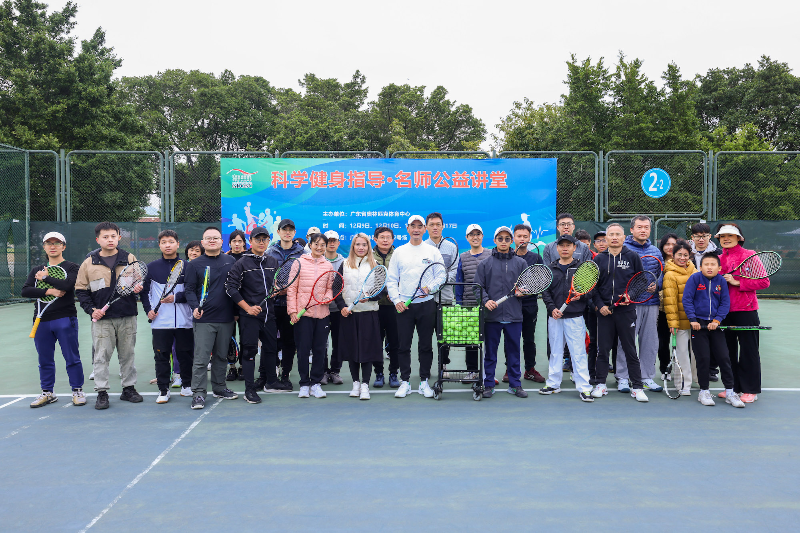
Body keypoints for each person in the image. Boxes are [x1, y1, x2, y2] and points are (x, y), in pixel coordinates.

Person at [75, 222, 144, 410]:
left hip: (127, 315)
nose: (110, 240)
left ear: (119, 237)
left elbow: (137, 282)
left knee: (127, 354)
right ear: (98, 240)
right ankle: (102, 392)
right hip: (102, 320)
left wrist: (138, 288)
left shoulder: (129, 258)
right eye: (105, 237)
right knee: (101, 356)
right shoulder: (89, 262)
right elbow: (81, 290)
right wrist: (91, 310)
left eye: (113, 236)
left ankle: (128, 389)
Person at [22, 232, 84, 407]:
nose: (53, 246)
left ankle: (77, 391)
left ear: (63, 246)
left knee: (72, 357)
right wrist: (48, 291)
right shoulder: (36, 269)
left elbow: (68, 285)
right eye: (49, 243)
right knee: (44, 359)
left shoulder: (72, 267)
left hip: (65, 318)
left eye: (57, 243)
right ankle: (47, 392)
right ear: (44, 247)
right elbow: (26, 291)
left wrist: (45, 278)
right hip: (41, 320)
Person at [225, 226, 286, 404]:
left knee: (271, 349)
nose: (261, 242)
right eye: (258, 239)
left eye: (264, 239)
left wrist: (278, 290)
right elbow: (230, 288)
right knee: (250, 352)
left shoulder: (273, 261)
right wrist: (247, 308)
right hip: (249, 316)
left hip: (269, 315)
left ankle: (271, 381)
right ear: (250, 242)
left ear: (268, 241)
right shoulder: (241, 263)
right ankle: (249, 390)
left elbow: (276, 285)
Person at [386, 215, 444, 398]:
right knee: (403, 346)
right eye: (413, 226)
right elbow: (391, 279)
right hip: (404, 307)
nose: (416, 229)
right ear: (408, 228)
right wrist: (397, 300)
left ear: (424, 229)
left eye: (420, 226)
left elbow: (441, 275)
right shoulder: (399, 252)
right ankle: (405, 382)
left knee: (425, 346)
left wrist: (430, 287)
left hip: (427, 305)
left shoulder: (432, 251)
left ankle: (424, 382)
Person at [589, 223, 649, 402]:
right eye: (611, 234)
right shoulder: (599, 259)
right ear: (606, 238)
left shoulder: (633, 256)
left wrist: (631, 296)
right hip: (605, 313)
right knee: (602, 350)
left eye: (618, 234)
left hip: (626, 311)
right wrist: (600, 305)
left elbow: (641, 281)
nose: (614, 237)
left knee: (630, 349)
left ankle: (637, 387)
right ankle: (601, 384)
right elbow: (593, 287)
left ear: (624, 238)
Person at [184, 226, 238, 409]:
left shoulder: (230, 261)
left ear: (221, 242)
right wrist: (195, 307)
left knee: (221, 357)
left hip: (226, 318)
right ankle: (198, 394)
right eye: (208, 238)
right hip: (204, 319)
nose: (212, 240)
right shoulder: (194, 264)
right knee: (201, 359)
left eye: (215, 238)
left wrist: (236, 312)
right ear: (203, 242)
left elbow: (235, 288)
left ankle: (219, 387)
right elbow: (189, 289)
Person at [715, 223, 769, 403]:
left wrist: (737, 282)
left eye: (730, 235)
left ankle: (750, 390)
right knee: (727, 351)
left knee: (749, 350)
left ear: (739, 238)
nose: (726, 239)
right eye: (723, 236)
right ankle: (732, 387)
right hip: (724, 313)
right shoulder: (718, 259)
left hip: (746, 310)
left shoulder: (749, 255)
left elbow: (764, 282)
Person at [683, 253, 745, 408]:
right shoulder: (694, 279)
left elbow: (725, 302)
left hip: (716, 325)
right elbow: (687, 299)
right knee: (703, 358)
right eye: (706, 264)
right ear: (700, 267)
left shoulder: (721, 281)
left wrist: (717, 320)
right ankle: (704, 391)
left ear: (719, 268)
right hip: (698, 325)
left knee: (724, 358)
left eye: (713, 264)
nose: (709, 267)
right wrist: (693, 319)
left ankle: (730, 392)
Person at [475, 226, 528, 398]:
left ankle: (515, 384)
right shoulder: (485, 264)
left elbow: (526, 286)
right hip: (492, 317)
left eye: (507, 239)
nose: (503, 241)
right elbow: (478, 288)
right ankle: (488, 384)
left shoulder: (521, 263)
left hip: (514, 316)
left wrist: (523, 292)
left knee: (514, 352)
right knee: (490, 354)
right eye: (500, 238)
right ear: (494, 241)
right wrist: (486, 300)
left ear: (511, 241)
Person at [142, 230, 194, 404]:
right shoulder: (151, 267)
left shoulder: (188, 266)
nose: (167, 245)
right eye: (164, 242)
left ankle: (187, 385)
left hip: (184, 321)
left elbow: (192, 292)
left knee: (185, 355)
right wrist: (149, 310)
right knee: (161, 356)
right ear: (159, 245)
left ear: (178, 244)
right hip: (160, 322)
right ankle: (163, 390)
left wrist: (177, 298)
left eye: (171, 241)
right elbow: (144, 293)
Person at [540, 235, 594, 401]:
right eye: (561, 245)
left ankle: (584, 388)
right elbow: (546, 292)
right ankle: (553, 383)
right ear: (557, 248)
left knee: (578, 353)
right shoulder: (550, 268)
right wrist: (552, 309)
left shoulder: (582, 268)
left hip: (575, 317)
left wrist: (582, 295)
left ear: (574, 248)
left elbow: (590, 291)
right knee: (555, 352)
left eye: (568, 245)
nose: (565, 248)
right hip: (555, 317)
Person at [614, 216, 664, 393]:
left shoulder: (655, 251)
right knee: (626, 341)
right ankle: (622, 377)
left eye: (646, 227)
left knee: (650, 341)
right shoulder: (623, 250)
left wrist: (657, 285)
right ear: (632, 230)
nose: (643, 230)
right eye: (640, 227)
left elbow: (662, 273)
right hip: (629, 304)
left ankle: (646, 377)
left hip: (651, 303)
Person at [542, 213, 592, 372]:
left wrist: (581, 294)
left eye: (569, 224)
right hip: (555, 307)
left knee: (578, 345)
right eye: (562, 224)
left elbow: (588, 275)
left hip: (576, 308)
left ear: (573, 227)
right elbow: (547, 277)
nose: (566, 226)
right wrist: (552, 307)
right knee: (555, 345)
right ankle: (554, 374)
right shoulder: (549, 247)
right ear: (558, 227)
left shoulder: (583, 248)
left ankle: (576, 373)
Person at [335, 233, 383, 400]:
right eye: (358, 244)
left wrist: (369, 298)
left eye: (364, 244)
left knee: (367, 351)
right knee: (352, 351)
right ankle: (355, 383)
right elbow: (336, 289)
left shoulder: (375, 265)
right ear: (353, 247)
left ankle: (365, 385)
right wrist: (342, 307)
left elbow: (381, 291)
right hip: (349, 315)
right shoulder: (344, 264)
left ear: (368, 246)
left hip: (368, 313)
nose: (361, 247)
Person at [287, 233, 334, 398]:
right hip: (303, 315)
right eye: (316, 244)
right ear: (310, 244)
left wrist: (327, 297)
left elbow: (329, 288)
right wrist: (293, 311)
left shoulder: (328, 265)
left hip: (322, 314)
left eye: (322, 245)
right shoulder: (298, 263)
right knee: (303, 351)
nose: (319, 247)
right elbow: (292, 288)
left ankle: (315, 384)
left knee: (320, 350)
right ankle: (304, 384)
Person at [266, 219, 305, 390]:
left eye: (290, 230)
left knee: (289, 343)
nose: (287, 232)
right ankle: (272, 373)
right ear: (279, 232)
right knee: (271, 342)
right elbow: (265, 277)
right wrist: (273, 289)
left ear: (294, 233)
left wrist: (290, 290)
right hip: (273, 305)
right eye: (284, 229)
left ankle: (286, 375)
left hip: (292, 307)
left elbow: (305, 278)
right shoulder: (269, 252)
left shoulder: (303, 253)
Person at [454, 224, 491, 378]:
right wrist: (459, 304)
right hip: (468, 305)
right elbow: (459, 282)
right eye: (472, 234)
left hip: (488, 306)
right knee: (470, 341)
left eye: (478, 234)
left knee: (489, 340)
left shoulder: (491, 254)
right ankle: (472, 371)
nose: (475, 237)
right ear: (467, 238)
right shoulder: (463, 257)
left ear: (482, 236)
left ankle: (488, 373)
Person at [424, 212, 459, 373]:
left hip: (445, 299)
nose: (435, 227)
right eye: (432, 224)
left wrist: (438, 282)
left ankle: (443, 365)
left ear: (443, 226)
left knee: (444, 336)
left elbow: (454, 271)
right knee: (425, 336)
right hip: (426, 300)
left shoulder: (451, 247)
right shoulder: (422, 247)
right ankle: (426, 369)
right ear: (426, 227)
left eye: (438, 224)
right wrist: (430, 286)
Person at [661, 240, 697, 395]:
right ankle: (683, 384)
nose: (682, 258)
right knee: (681, 354)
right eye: (679, 255)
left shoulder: (695, 272)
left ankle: (698, 380)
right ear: (673, 255)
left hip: (696, 322)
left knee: (697, 353)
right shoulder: (669, 274)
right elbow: (670, 302)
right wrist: (673, 323)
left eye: (685, 255)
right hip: (680, 323)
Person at [512, 223, 545, 383]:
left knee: (529, 339)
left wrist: (528, 290)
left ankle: (530, 370)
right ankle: (510, 370)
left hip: (530, 305)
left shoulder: (536, 258)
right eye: (519, 236)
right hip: (511, 305)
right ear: (514, 238)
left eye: (525, 236)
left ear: (530, 238)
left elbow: (542, 280)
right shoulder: (508, 256)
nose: (522, 239)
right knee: (512, 339)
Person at [689, 222, 721, 382]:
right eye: (697, 236)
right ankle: (692, 370)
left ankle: (712, 369)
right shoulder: (686, 253)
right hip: (693, 303)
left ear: (709, 236)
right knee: (694, 340)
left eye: (704, 236)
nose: (701, 239)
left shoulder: (718, 253)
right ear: (692, 238)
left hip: (714, 303)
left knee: (714, 338)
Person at [372, 226, 400, 388]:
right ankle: (379, 374)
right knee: (376, 343)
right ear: (375, 239)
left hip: (394, 307)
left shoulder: (399, 255)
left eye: (388, 237)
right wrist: (381, 293)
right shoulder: (369, 256)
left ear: (392, 240)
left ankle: (394, 373)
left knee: (395, 343)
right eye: (382, 237)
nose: (385, 240)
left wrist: (396, 293)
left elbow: (403, 277)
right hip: (375, 307)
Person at [321, 230, 345, 386]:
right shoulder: (318, 260)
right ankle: (323, 371)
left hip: (339, 310)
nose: (331, 243)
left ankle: (335, 371)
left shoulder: (345, 262)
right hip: (321, 310)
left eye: (334, 241)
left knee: (338, 343)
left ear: (338, 243)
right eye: (328, 241)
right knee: (321, 343)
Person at [226, 229, 249, 382]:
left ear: (244, 243)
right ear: (229, 243)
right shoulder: (225, 259)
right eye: (234, 241)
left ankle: (243, 367)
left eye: (240, 241)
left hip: (245, 305)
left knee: (245, 339)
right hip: (228, 306)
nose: (237, 244)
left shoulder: (248, 258)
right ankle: (232, 367)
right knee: (229, 338)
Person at [656, 233, 679, 381]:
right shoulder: (658, 262)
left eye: (673, 244)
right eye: (667, 244)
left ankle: (680, 370)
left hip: (679, 309)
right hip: (661, 309)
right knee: (663, 341)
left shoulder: (684, 262)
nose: (670, 247)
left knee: (682, 343)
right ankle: (665, 369)